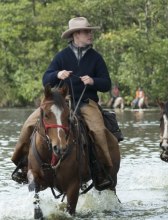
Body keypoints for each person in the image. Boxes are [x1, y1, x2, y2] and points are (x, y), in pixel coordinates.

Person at [11, 17, 115, 188]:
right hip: (60, 104)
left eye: (90, 31)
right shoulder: (61, 56)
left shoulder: (96, 58)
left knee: (98, 130)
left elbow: (107, 84)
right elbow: (46, 79)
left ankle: (101, 171)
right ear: (75, 35)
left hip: (86, 103)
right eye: (86, 31)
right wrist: (57, 75)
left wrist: (93, 81)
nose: (90, 34)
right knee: (29, 124)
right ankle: (22, 164)